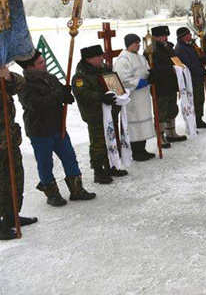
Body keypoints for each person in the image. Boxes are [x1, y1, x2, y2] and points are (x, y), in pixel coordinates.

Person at [16, 52, 95, 206]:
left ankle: (77, 189)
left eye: (43, 61)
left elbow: (62, 94)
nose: (44, 64)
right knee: (45, 163)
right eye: (40, 63)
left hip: (58, 127)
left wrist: (67, 95)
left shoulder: (50, 78)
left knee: (69, 157)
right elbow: (36, 104)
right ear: (30, 67)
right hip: (40, 130)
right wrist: (60, 94)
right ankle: (52, 194)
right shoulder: (24, 85)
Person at [72, 45, 127, 183]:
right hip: (95, 115)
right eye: (98, 56)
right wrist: (102, 97)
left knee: (113, 140)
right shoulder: (81, 76)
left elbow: (113, 83)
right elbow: (83, 94)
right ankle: (98, 171)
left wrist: (120, 92)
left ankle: (112, 165)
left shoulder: (104, 69)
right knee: (99, 143)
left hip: (110, 112)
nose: (102, 58)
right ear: (89, 59)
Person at [0, 65, 37, 239]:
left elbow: (20, 85)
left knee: (15, 177)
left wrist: (8, 77)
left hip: (10, 138)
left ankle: (12, 215)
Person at [114, 34, 158, 161]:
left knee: (142, 123)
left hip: (143, 97)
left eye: (139, 43)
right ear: (128, 44)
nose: (138, 45)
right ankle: (135, 151)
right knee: (135, 124)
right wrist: (144, 82)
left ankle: (142, 148)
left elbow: (145, 71)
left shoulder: (141, 57)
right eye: (135, 43)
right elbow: (124, 81)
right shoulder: (123, 60)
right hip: (132, 98)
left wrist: (151, 75)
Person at [149, 26, 186, 139]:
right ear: (155, 37)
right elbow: (154, 67)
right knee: (161, 112)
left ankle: (171, 132)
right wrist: (170, 69)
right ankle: (160, 136)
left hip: (171, 83)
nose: (166, 37)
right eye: (163, 36)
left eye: (166, 35)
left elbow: (176, 59)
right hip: (160, 85)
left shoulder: (169, 47)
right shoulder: (151, 50)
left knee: (172, 109)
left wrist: (179, 67)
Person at [173, 28, 206, 129]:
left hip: (197, 77)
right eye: (189, 34)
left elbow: (194, 60)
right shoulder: (180, 49)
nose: (191, 35)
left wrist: (201, 60)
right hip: (191, 79)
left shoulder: (189, 45)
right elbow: (188, 65)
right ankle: (194, 120)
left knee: (200, 99)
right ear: (183, 36)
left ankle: (199, 118)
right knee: (195, 100)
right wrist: (200, 71)